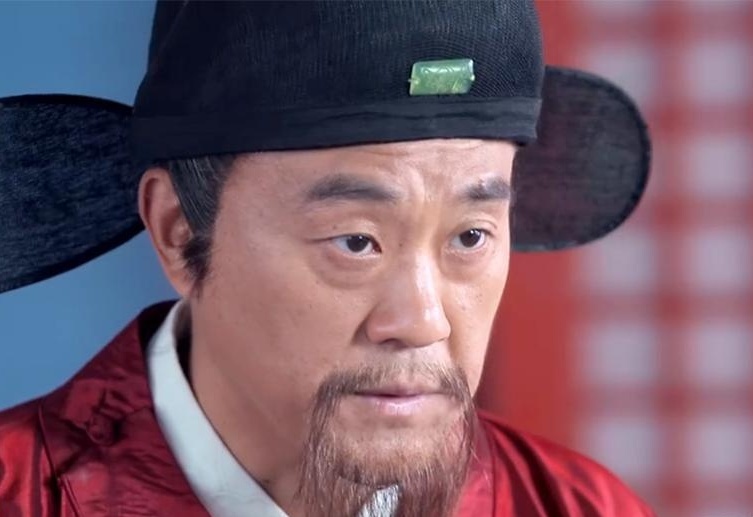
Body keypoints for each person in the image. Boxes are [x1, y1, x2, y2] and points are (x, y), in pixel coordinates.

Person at [0, 1, 654, 516]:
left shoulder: (575, 505)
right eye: (356, 241)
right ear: (178, 230)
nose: (423, 322)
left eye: (469, 238)